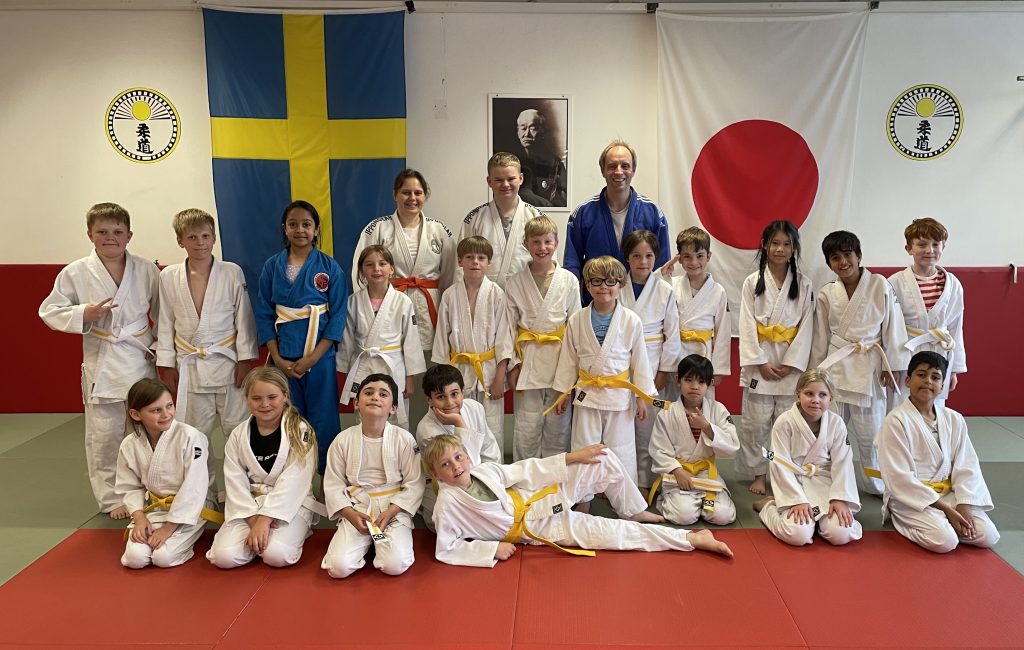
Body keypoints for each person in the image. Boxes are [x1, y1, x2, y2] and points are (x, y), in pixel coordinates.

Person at [424, 434, 734, 567]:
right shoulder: (447, 506)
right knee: (614, 534)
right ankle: (691, 539)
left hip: (540, 498)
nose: (456, 466)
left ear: (467, 456)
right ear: (436, 475)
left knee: (602, 457)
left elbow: (526, 470)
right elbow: (446, 548)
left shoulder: (484, 471)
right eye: (445, 465)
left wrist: (573, 457)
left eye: (458, 457)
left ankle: (633, 509)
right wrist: (491, 549)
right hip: (538, 529)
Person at [39, 202, 160, 518]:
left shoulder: (146, 269)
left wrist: (163, 349)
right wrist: (84, 313)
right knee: (104, 435)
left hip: (138, 357)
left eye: (117, 232)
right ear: (89, 234)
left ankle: (151, 489)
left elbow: (163, 314)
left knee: (146, 429)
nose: (110, 237)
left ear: (129, 235)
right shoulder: (76, 272)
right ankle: (111, 498)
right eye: (102, 231)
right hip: (103, 360)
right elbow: (49, 311)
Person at [550, 256, 658, 498]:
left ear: (621, 285)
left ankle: (624, 499)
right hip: (587, 393)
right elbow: (569, 360)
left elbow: (640, 361)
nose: (603, 287)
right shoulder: (577, 319)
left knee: (622, 448)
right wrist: (563, 393)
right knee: (583, 445)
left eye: (610, 281)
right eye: (596, 281)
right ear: (587, 285)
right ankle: (582, 497)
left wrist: (641, 397)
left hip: (618, 395)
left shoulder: (631, 320)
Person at [810, 230, 907, 495]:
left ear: (859, 256)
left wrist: (892, 365)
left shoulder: (880, 285)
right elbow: (820, 337)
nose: (843, 262)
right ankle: (827, 478)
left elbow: (893, 326)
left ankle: (876, 484)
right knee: (830, 430)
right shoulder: (827, 293)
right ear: (829, 263)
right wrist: (815, 374)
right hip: (835, 368)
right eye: (835, 257)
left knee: (871, 433)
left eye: (848, 255)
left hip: (869, 367)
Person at [254, 200, 347, 473]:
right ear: (284, 228)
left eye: (306, 224)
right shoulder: (272, 266)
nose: (300, 230)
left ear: (316, 229)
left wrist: (314, 358)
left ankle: (328, 479)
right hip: (284, 355)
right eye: (293, 224)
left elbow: (338, 315)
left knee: (324, 418)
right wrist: (277, 358)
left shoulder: (330, 267)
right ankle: (293, 479)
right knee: (288, 419)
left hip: (319, 357)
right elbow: (263, 313)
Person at [156, 208, 257, 456]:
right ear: (180, 240)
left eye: (205, 236)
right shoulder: (169, 276)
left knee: (238, 430)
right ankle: (200, 482)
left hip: (227, 362)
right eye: (192, 237)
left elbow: (243, 318)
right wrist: (167, 365)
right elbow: (165, 321)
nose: (200, 243)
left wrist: (245, 360)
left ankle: (241, 480)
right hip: (190, 365)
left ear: (214, 238)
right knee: (194, 435)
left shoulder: (232, 272)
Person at [876, 352, 998, 553]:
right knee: (945, 541)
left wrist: (964, 504)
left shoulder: (954, 419)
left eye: (935, 377)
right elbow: (898, 476)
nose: (928, 381)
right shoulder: (895, 421)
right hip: (911, 498)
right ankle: (901, 519)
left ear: (942, 386)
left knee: (987, 536)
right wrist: (947, 510)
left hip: (948, 494)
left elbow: (967, 465)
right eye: (921, 375)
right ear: (908, 381)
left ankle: (947, 523)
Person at [207, 367, 320, 569]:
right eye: (256, 398)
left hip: (290, 505)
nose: (265, 404)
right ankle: (259, 536)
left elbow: (295, 480)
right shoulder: (238, 435)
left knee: (277, 555)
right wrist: (254, 520)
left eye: (272, 397)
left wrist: (266, 519)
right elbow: (234, 480)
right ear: (247, 400)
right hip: (249, 505)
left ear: (285, 396)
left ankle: (294, 531)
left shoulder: (300, 431)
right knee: (224, 557)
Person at [734, 221, 814, 495]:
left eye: (786, 244)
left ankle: (783, 472)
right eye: (775, 243)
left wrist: (791, 363)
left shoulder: (803, 284)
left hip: (789, 365)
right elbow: (746, 324)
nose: (780, 249)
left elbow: (807, 327)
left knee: (787, 423)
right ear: (765, 245)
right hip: (761, 364)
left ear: (794, 248)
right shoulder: (752, 282)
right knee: (755, 424)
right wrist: (759, 362)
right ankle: (759, 473)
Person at [321, 374, 424, 578]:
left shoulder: (404, 439)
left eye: (383, 394)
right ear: (356, 403)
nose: (375, 397)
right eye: (368, 393)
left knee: (395, 565)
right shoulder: (342, 440)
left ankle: (380, 545)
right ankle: (366, 542)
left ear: (393, 408)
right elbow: (333, 484)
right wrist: (349, 514)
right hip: (358, 508)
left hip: (393, 509)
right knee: (337, 568)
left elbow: (415, 482)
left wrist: (392, 511)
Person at [116, 378, 219, 569]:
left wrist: (168, 528)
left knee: (163, 557)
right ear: (136, 414)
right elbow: (128, 486)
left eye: (169, 406)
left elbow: (195, 486)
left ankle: (183, 537)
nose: (166, 414)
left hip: (191, 508)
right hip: (154, 508)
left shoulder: (190, 437)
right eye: (156, 410)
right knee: (134, 559)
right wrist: (139, 518)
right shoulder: (129, 444)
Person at [753, 370, 863, 547]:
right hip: (795, 481)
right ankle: (768, 508)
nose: (816, 400)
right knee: (798, 535)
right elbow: (779, 463)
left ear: (831, 398)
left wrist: (839, 497)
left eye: (822, 395)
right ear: (798, 394)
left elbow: (843, 463)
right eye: (809, 393)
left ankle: (819, 520)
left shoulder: (836, 424)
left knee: (841, 533)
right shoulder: (785, 422)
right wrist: (795, 500)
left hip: (825, 483)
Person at [352, 169, 456, 355]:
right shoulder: (378, 228)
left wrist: (449, 310)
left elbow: (451, 274)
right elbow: (360, 272)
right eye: (406, 192)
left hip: (430, 306)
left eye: (418, 193)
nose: (412, 198)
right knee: (392, 355)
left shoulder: (439, 230)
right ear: (395, 194)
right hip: (388, 303)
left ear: (425, 195)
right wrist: (368, 311)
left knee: (429, 362)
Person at [505, 215, 581, 461]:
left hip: (560, 361)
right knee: (527, 427)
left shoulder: (568, 280)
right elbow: (508, 328)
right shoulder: (515, 282)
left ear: (556, 243)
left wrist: (574, 369)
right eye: (536, 242)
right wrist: (512, 365)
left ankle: (555, 476)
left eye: (547, 241)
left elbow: (576, 326)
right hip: (527, 360)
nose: (542, 247)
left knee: (558, 426)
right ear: (525, 244)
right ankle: (525, 477)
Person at [565, 140, 670, 304]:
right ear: (603, 170)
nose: (619, 171)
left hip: (640, 302)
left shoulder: (653, 213)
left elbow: (661, 265)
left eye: (625, 166)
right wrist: (574, 305)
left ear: (633, 170)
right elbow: (572, 266)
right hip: (597, 302)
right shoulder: (583, 213)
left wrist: (658, 304)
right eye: (612, 166)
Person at [432, 236, 514, 441]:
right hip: (457, 371)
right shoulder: (450, 295)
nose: (475, 262)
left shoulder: (497, 294)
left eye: (481, 257)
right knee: (460, 426)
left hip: (489, 372)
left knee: (492, 429)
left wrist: (499, 379)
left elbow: (504, 339)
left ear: (489, 262)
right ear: (460, 261)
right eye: (469, 257)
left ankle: (492, 462)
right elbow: (442, 338)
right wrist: (444, 380)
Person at [337, 245, 424, 430]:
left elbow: (411, 341)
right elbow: (347, 340)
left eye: (382, 264)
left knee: (395, 418)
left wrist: (410, 378)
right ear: (362, 271)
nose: (376, 269)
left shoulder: (403, 301)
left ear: (391, 269)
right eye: (369, 265)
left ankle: (397, 448)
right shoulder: (353, 301)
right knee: (365, 416)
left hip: (393, 365)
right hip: (364, 364)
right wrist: (344, 371)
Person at [619, 230, 681, 490]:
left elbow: (673, 334)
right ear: (627, 257)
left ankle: (645, 480)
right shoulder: (617, 285)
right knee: (620, 427)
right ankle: (621, 480)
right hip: (621, 363)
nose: (642, 262)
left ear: (656, 257)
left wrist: (664, 371)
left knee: (648, 426)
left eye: (648, 256)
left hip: (653, 363)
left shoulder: (665, 290)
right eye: (636, 256)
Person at [649, 355, 738, 526]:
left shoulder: (718, 410)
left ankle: (703, 503)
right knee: (684, 516)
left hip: (706, 473)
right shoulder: (667, 413)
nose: (694, 386)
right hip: (678, 474)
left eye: (701, 382)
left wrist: (707, 427)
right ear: (678, 380)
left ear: (710, 384)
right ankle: (674, 500)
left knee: (722, 516)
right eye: (688, 380)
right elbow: (659, 450)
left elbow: (731, 445)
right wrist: (677, 471)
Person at [888, 218, 965, 407]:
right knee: (901, 405)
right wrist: (891, 365)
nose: (929, 250)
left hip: (939, 350)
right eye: (922, 245)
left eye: (935, 244)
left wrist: (954, 369)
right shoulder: (894, 282)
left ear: (943, 246)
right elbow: (889, 328)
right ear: (909, 248)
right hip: (906, 352)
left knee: (934, 407)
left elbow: (955, 327)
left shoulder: (952, 283)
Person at [416, 364, 504, 531]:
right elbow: (461, 466)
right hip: (447, 484)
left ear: (463, 392)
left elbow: (489, 448)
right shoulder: (427, 430)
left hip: (479, 474)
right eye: (440, 397)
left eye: (454, 394)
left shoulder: (475, 408)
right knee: (455, 524)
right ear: (429, 400)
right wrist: (459, 422)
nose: (449, 402)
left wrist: (492, 480)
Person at [459, 152, 540, 288]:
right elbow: (460, 262)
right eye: (498, 180)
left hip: (525, 291)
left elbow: (548, 261)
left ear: (521, 179)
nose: (505, 184)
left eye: (511, 179)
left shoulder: (535, 216)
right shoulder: (475, 218)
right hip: (483, 293)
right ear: (489, 181)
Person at [668, 227, 731, 398]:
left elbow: (722, 332)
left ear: (708, 256)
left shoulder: (718, 291)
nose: (693, 262)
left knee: (703, 402)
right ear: (679, 258)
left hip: (704, 356)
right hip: (676, 354)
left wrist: (718, 369)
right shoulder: (671, 285)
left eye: (700, 256)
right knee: (674, 402)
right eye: (687, 256)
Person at [513, 109, 567, 208]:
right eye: (523, 128)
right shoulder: (511, 161)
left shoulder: (554, 163)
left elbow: (564, 198)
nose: (527, 134)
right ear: (517, 131)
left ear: (543, 131)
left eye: (533, 128)